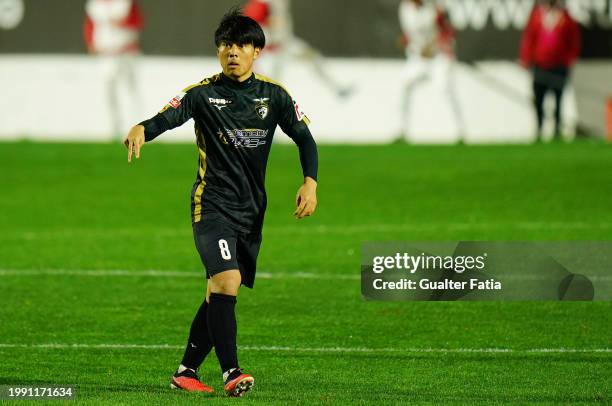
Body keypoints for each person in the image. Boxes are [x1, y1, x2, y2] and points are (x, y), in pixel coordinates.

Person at [123, 8, 318, 397]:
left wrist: (309, 182)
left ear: (256, 51)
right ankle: (232, 372)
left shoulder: (274, 96)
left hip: (250, 211)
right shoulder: (203, 94)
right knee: (226, 282)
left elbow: (305, 138)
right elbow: (168, 116)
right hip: (210, 205)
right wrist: (143, 127)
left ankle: (186, 371)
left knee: (217, 294)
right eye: (226, 45)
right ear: (218, 51)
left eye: (242, 44)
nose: (233, 52)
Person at [244, 0, 351, 97]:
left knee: (312, 58)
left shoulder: (277, 3)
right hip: (273, 49)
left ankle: (337, 88)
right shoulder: (262, 4)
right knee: (273, 83)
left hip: (286, 45)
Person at [398, 0, 464, 141]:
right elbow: (409, 34)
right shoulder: (405, 9)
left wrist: (434, 45)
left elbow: (449, 30)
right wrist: (409, 43)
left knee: (445, 87)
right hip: (418, 57)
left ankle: (459, 131)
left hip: (438, 56)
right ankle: (402, 130)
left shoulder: (435, 7)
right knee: (404, 83)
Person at [520, 0, 581, 140]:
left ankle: (557, 131)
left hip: (559, 66)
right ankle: (539, 129)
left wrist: (569, 60)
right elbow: (529, 38)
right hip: (540, 66)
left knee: (558, 100)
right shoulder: (537, 16)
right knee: (539, 100)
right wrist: (526, 59)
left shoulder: (565, 17)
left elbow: (574, 40)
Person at [84, 0, 144, 137]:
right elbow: (90, 24)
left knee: (130, 90)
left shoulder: (125, 3)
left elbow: (137, 21)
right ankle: (114, 127)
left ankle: (137, 126)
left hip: (125, 51)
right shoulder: (95, 5)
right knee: (109, 92)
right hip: (106, 53)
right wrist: (90, 42)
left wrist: (123, 24)